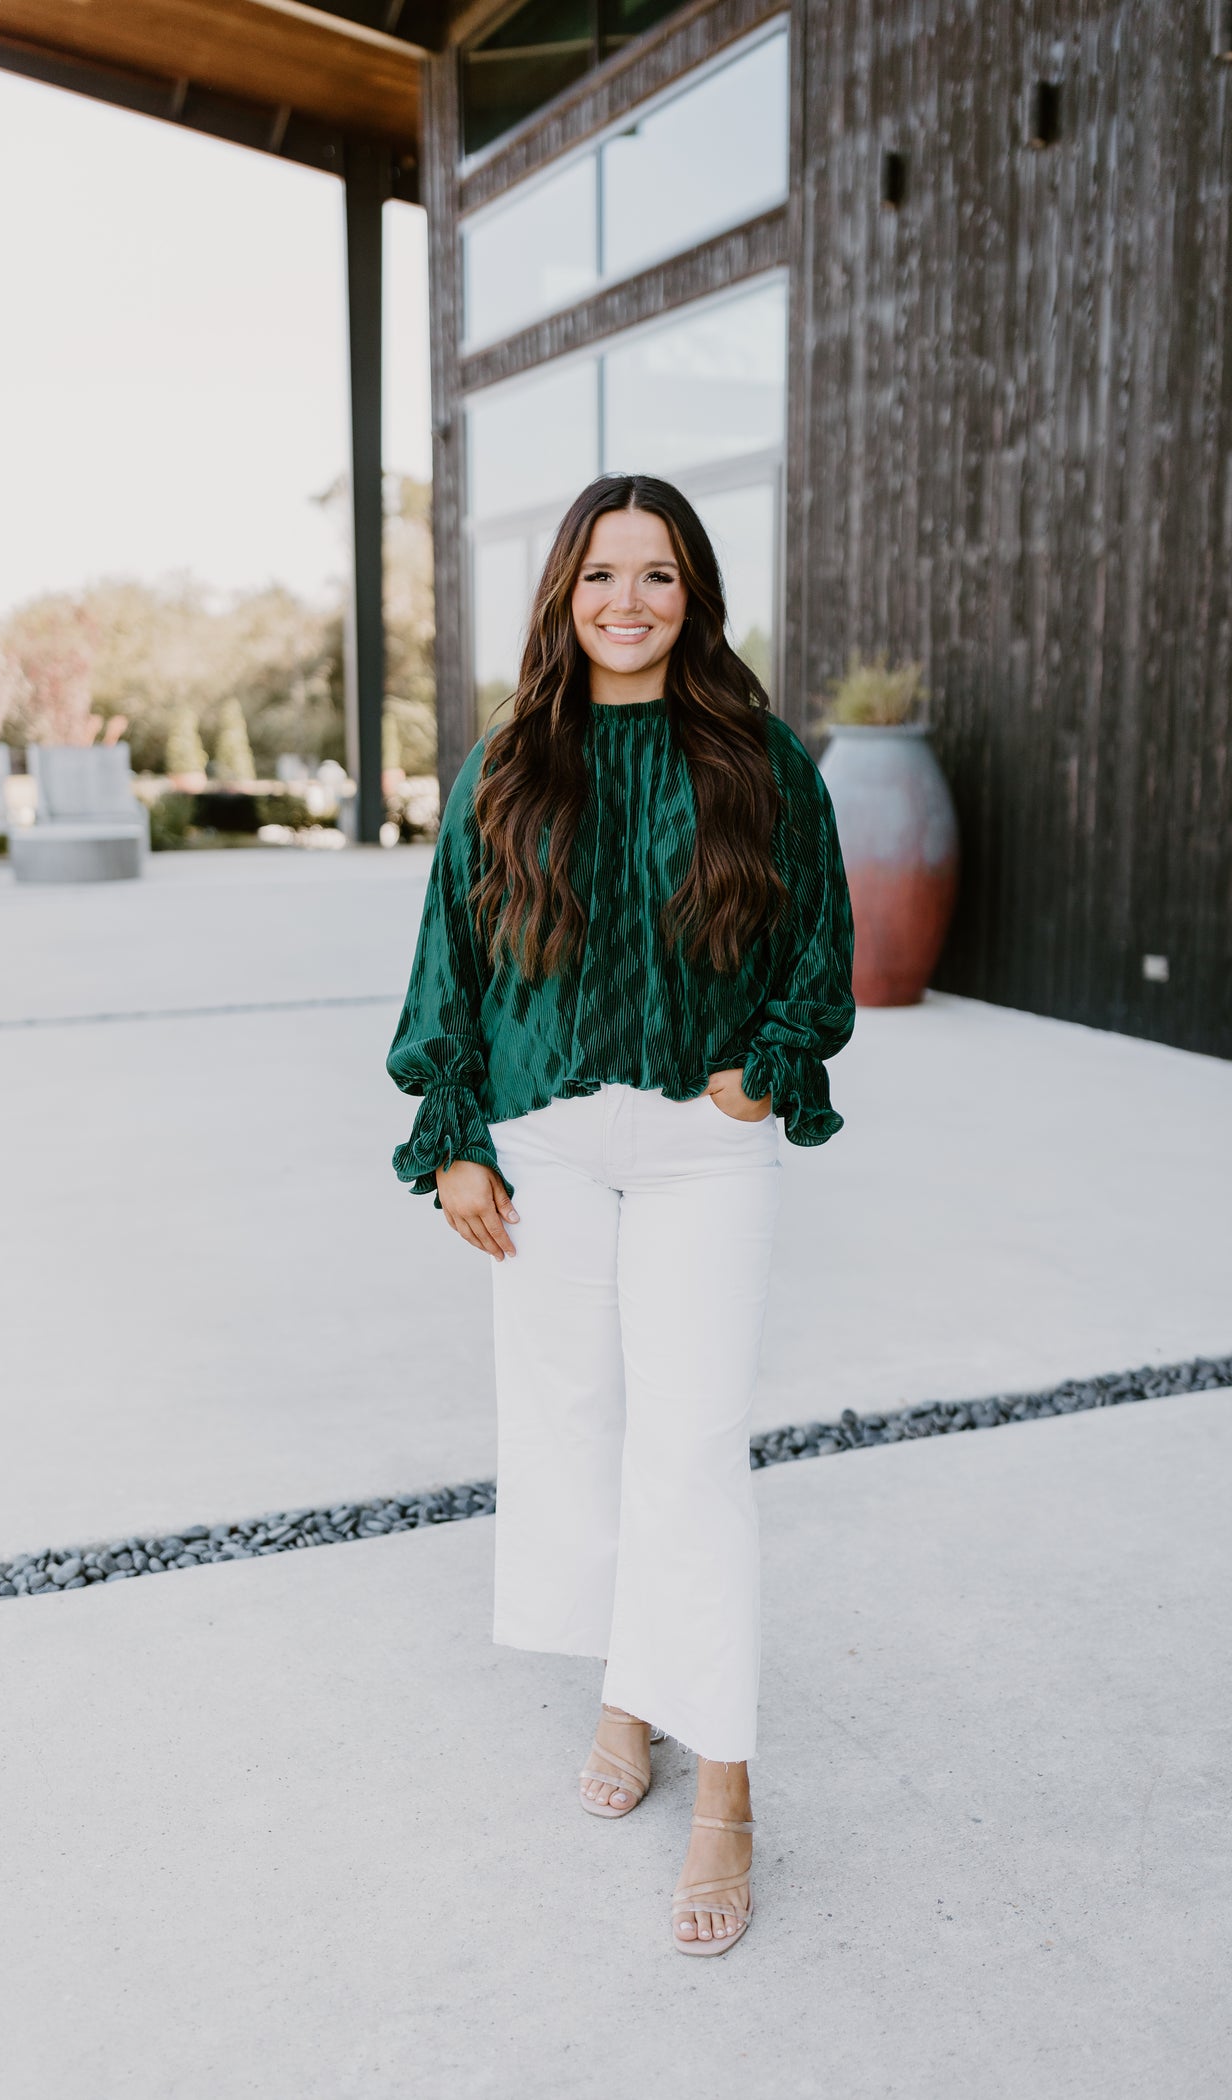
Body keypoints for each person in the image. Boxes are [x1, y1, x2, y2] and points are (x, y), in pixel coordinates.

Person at [387, 473, 854, 1957]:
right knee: (576, 1434)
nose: (629, 602)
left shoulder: (763, 761)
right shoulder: (508, 763)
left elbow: (821, 942)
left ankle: (725, 1783)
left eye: (657, 575)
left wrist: (768, 1069)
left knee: (695, 1449)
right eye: (601, 576)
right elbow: (448, 955)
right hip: (547, 1148)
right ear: (563, 596)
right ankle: (628, 1691)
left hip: (703, 1151)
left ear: (694, 592)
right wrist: (454, 1134)